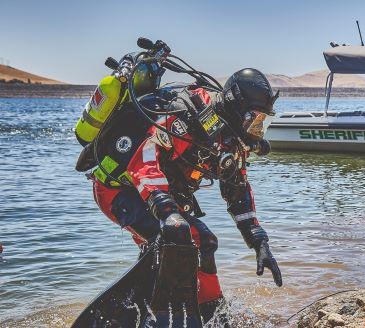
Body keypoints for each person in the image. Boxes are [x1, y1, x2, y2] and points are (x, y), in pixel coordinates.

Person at [76, 58, 282, 324]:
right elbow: (145, 159)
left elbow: (238, 191)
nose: (257, 131)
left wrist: (259, 241)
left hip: (153, 196)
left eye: (262, 123)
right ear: (237, 108)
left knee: (195, 243)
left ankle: (211, 314)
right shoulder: (186, 116)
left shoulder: (228, 139)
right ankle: (173, 313)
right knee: (196, 238)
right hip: (118, 190)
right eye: (255, 120)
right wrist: (166, 210)